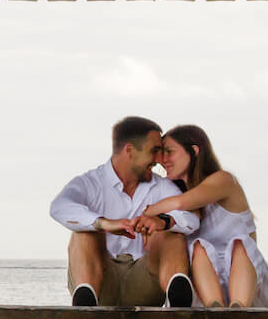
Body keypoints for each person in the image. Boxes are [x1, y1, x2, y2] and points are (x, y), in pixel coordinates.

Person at [49, 116, 198, 308]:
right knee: (84, 232)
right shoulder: (91, 182)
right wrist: (104, 223)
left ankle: (177, 302)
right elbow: (59, 206)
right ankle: (85, 305)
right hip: (101, 282)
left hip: (145, 282)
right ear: (129, 151)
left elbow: (192, 217)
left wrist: (163, 221)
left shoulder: (162, 187)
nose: (159, 159)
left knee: (173, 233)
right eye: (154, 151)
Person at [143, 124, 268, 308]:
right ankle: (214, 308)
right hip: (205, 282)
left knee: (239, 244)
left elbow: (181, 203)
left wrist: (146, 213)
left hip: (245, 279)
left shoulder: (223, 180)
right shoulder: (171, 193)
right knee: (198, 247)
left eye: (169, 151)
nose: (163, 160)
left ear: (194, 151)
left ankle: (239, 309)